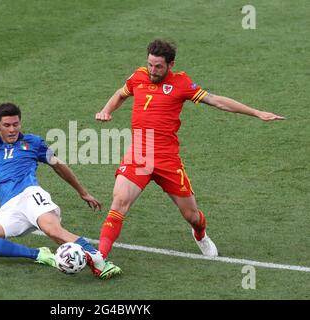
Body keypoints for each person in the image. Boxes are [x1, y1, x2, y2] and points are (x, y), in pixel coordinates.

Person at [95, 39, 285, 260]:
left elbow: (217, 101)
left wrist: (256, 112)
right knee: (119, 202)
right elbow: (120, 93)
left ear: (170, 65)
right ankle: (100, 257)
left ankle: (200, 234)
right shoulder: (138, 76)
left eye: (158, 67)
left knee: (192, 215)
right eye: (150, 64)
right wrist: (106, 110)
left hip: (167, 159)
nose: (153, 71)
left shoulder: (181, 83)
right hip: (139, 155)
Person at [0, 97, 122, 279]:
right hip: (9, 207)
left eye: (16, 124)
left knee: (54, 231)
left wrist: (83, 192)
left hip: (30, 195)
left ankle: (100, 261)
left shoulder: (34, 143)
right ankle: (40, 255)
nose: (12, 130)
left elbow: (58, 165)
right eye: (7, 125)